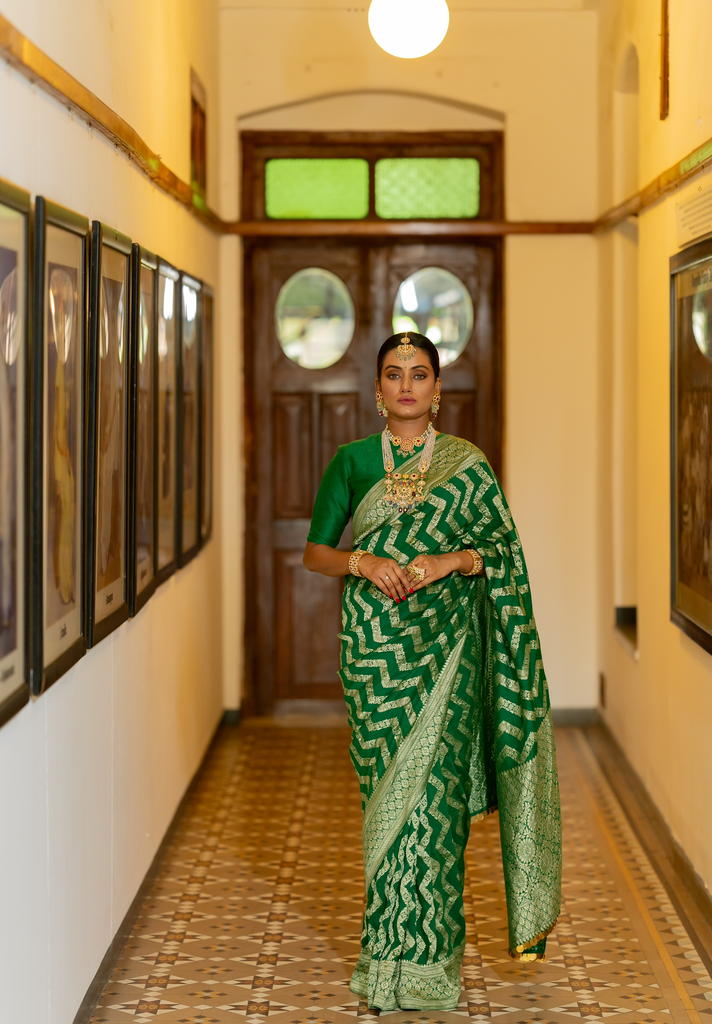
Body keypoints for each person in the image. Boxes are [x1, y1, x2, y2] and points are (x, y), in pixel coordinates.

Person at [303, 332, 561, 1012]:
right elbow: (316, 553)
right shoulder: (353, 462)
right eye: (394, 374)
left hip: (447, 655)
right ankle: (381, 965)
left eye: (420, 374)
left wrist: (448, 562)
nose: (407, 385)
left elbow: (502, 554)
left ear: (438, 388)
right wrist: (363, 563)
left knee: (437, 812)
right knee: (385, 808)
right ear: (378, 389)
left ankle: (428, 972)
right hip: (374, 654)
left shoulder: (467, 466)